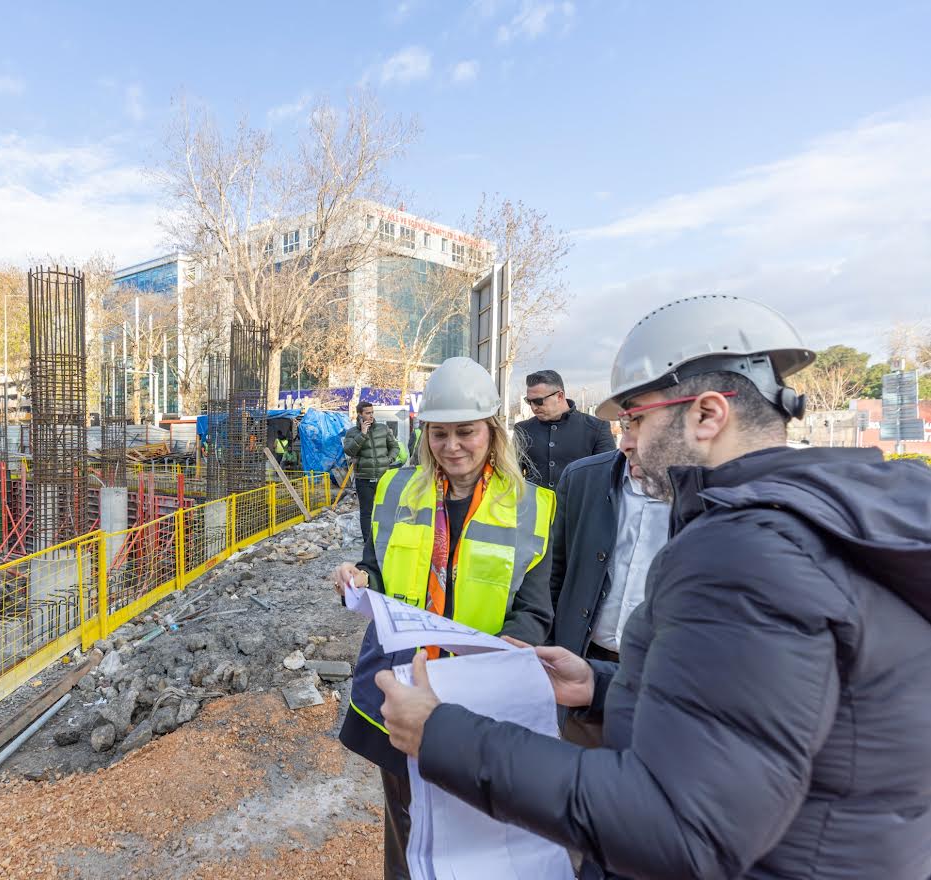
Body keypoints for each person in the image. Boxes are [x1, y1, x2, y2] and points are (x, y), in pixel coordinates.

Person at [376, 296, 931, 879]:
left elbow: (679, 827)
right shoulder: (820, 520)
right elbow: (757, 715)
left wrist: (442, 735)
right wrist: (603, 686)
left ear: (708, 414)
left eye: (636, 418)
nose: (625, 442)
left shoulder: (750, 550)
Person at [331, 357, 556, 880]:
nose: (452, 446)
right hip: (401, 688)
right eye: (440, 433)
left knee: (471, 835)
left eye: (466, 432)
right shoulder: (394, 492)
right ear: (424, 434)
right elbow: (379, 571)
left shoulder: (532, 507)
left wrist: (508, 653)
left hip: (475, 697)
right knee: (404, 826)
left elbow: (535, 610)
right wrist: (359, 577)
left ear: (491, 432)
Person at [548, 422, 669, 747]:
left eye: (645, 427)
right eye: (627, 425)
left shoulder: (707, 498)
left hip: (661, 675)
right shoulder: (583, 480)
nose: (627, 441)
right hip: (583, 663)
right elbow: (554, 572)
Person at [515, 369, 615, 489]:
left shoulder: (597, 428)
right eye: (529, 401)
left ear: (560, 396)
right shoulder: (522, 430)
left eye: (538, 401)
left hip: (579, 507)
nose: (533, 407)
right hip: (534, 507)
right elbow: (512, 476)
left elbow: (608, 477)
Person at [342, 400, 400, 565]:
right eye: (367, 413)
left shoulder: (382, 429)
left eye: (372, 412)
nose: (371, 416)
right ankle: (369, 545)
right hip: (364, 478)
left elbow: (394, 447)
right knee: (366, 512)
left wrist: (388, 460)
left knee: (387, 510)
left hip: (383, 477)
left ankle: (388, 539)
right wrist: (363, 433)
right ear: (360, 414)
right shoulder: (352, 432)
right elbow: (349, 450)